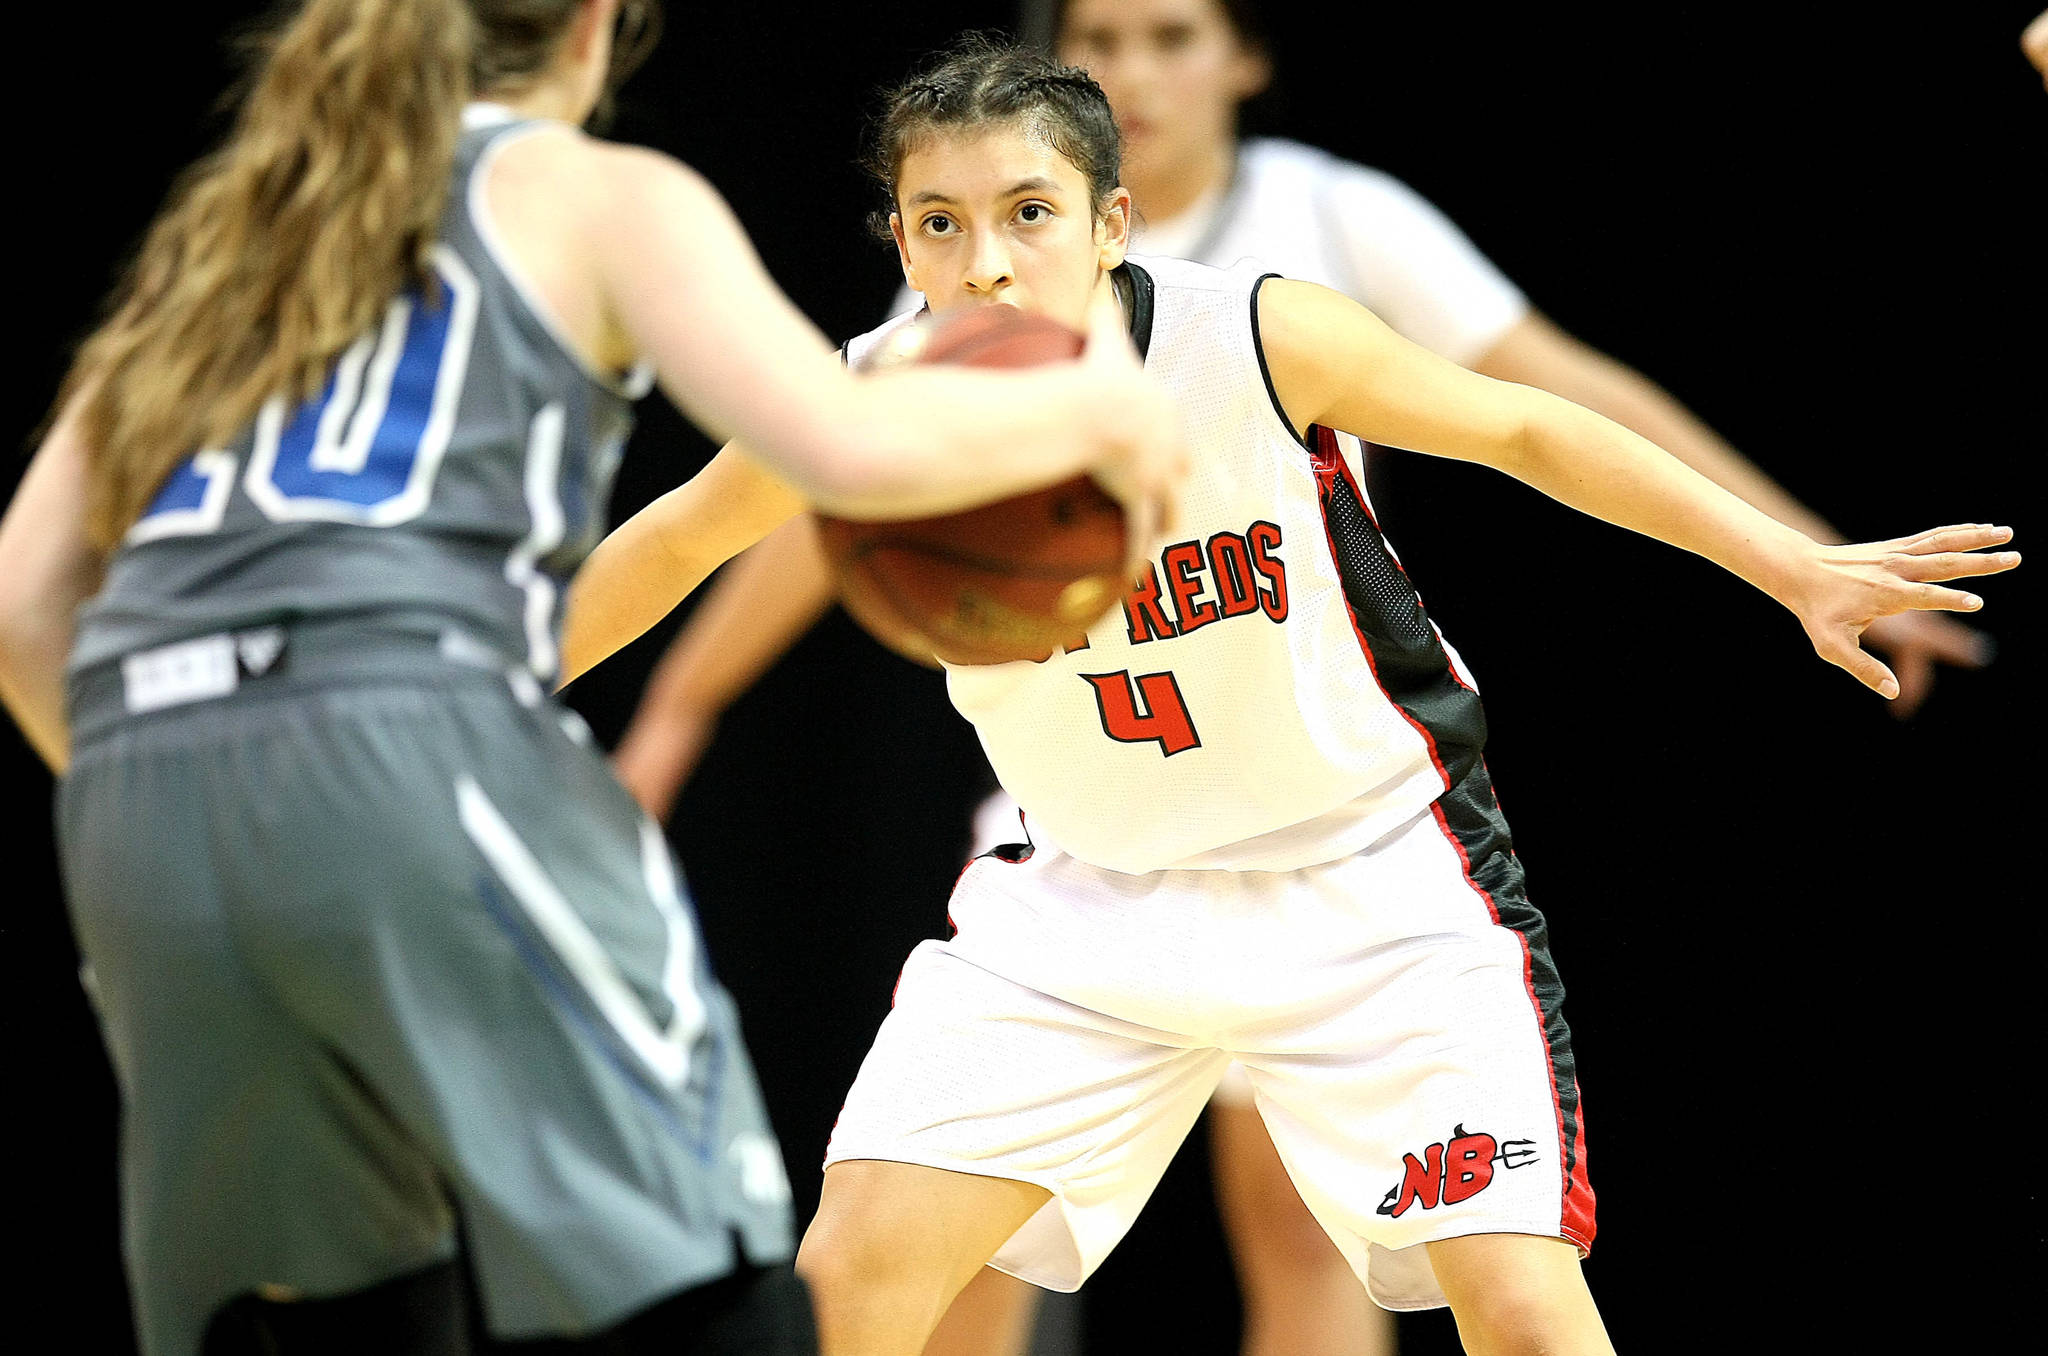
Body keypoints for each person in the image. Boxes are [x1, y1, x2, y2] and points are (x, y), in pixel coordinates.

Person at [559, 33, 2018, 1356]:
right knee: (856, 1276)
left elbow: (1518, 422)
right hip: (1086, 898)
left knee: (1514, 1305)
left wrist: (1784, 561)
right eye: (940, 224)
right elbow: (679, 538)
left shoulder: (1251, 337)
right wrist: (477, 681)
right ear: (901, 246)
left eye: (1027, 213)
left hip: (1374, 883)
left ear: (1107, 224)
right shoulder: (867, 394)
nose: (988, 261)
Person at [0, 5, 1182, 1354]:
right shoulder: (591, 188)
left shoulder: (223, 231)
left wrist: (212, 790)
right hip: (412, 737)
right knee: (711, 1287)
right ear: (593, 28)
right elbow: (843, 448)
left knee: (324, 1313)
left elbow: (22, 603)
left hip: (136, 798)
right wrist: (1107, 417)